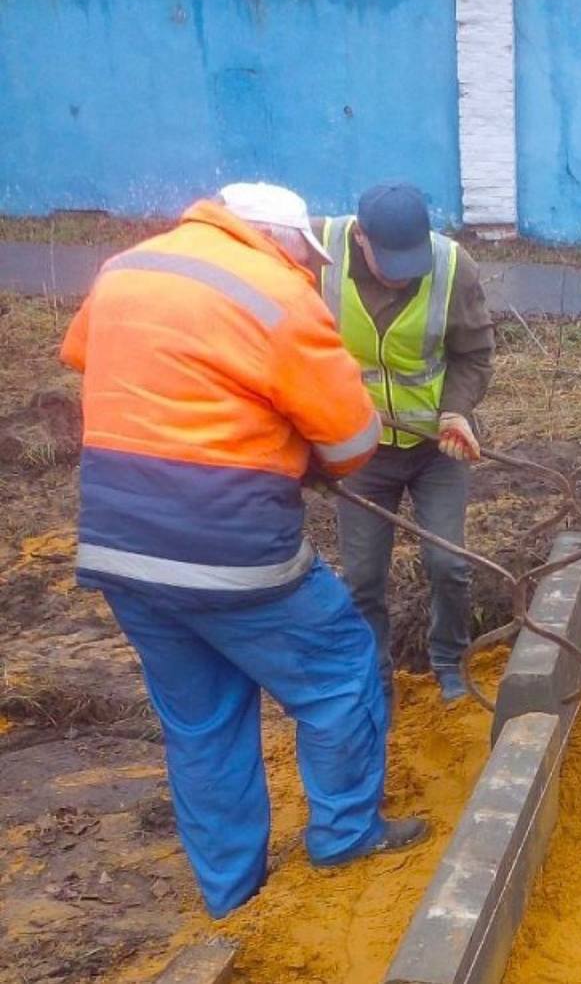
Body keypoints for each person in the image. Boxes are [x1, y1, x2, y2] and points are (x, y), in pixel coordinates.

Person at [59, 182, 427, 919]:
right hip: (230, 545)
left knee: (202, 720)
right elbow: (354, 444)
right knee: (338, 672)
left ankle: (233, 891)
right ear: (287, 243)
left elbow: (82, 357)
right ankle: (345, 833)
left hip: (119, 543)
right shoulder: (279, 296)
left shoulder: (128, 268)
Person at [314, 183, 495, 703]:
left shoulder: (451, 266)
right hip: (362, 450)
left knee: (448, 563)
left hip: (437, 447)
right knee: (364, 576)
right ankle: (377, 681)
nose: (403, 272)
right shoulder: (319, 255)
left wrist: (457, 411)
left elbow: (474, 354)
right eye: (390, 259)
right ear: (360, 237)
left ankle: (449, 664)